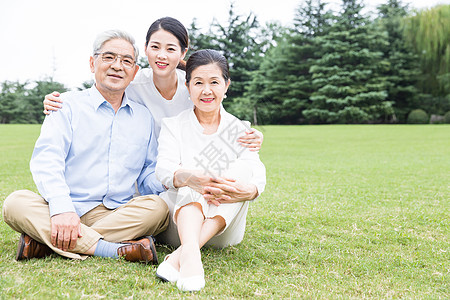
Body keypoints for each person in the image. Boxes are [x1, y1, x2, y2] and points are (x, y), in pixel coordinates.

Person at [2, 30, 169, 263]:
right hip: (65, 206)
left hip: (116, 213)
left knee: (158, 208)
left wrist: (168, 177)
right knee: (15, 203)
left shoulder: (143, 117)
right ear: (93, 63)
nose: (117, 66)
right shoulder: (65, 106)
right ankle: (110, 250)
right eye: (109, 57)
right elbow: (47, 159)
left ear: (134, 72)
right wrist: (62, 209)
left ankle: (46, 245)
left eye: (126, 61)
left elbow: (147, 174)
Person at [43, 17, 263, 150]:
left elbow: (218, 117)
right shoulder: (132, 81)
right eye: (155, 47)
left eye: (170, 49)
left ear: (183, 52)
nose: (162, 56)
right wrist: (60, 100)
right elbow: (99, 89)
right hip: (143, 172)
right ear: (146, 48)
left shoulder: (193, 85)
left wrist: (251, 134)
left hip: (183, 164)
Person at [154, 49, 266, 292]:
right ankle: (191, 259)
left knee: (242, 167)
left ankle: (178, 258)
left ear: (226, 85)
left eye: (214, 82)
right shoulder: (173, 126)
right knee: (193, 175)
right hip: (178, 227)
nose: (206, 90)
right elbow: (163, 168)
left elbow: (256, 170)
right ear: (188, 86)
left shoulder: (240, 129)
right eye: (198, 82)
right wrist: (190, 178)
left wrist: (250, 190)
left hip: (223, 229)